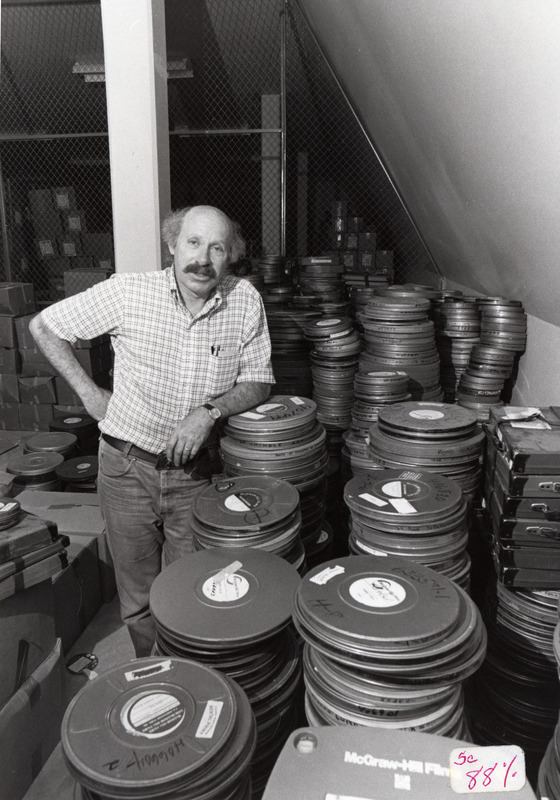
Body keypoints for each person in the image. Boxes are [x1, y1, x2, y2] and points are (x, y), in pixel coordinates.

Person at [30, 205, 274, 656]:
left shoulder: (244, 300)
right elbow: (44, 326)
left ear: (230, 256)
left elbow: (259, 379)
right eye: (193, 243)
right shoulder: (128, 292)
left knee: (190, 590)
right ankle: (151, 674)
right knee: (139, 598)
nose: (203, 258)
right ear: (172, 246)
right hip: (125, 470)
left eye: (217, 247)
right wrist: (88, 393)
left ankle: (187, 675)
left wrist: (210, 412)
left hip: (194, 475)